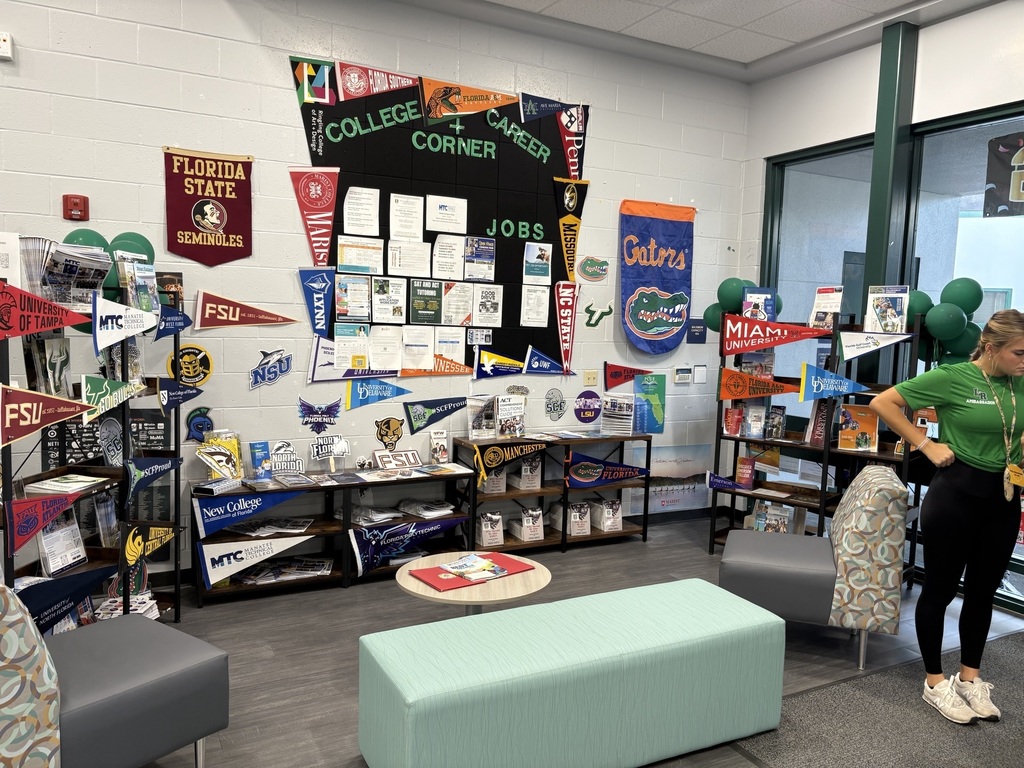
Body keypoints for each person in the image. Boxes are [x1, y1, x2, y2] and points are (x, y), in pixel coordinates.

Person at [871, 309, 1024, 726]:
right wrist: (926, 444)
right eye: (1019, 353)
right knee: (939, 589)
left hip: (1005, 497)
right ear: (990, 349)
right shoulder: (954, 377)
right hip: (956, 493)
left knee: (983, 592)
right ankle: (936, 682)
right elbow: (883, 402)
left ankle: (970, 678)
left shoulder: (1019, 382)